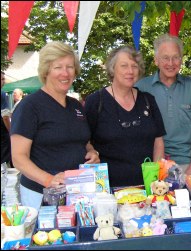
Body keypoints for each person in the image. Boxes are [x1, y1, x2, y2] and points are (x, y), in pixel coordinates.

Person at [10, 41, 100, 210]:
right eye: (58, 67)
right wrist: (48, 180)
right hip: (41, 194)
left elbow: (81, 140)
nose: (65, 73)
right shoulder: (29, 106)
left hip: (77, 192)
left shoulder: (76, 105)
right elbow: (18, 158)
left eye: (70, 67)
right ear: (46, 71)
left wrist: (91, 152)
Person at [84, 45, 166, 188]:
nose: (130, 71)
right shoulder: (96, 101)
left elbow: (158, 142)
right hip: (107, 189)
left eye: (134, 66)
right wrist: (91, 151)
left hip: (146, 186)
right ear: (112, 68)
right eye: (124, 66)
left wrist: (155, 178)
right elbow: (84, 139)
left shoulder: (148, 100)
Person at [136, 34, 191, 175]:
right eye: (165, 58)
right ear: (156, 60)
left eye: (175, 57)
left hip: (185, 165)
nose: (171, 63)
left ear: (181, 60)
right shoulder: (141, 87)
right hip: (150, 164)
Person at [1, 71, 11, 164]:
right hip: (3, 133)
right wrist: (11, 130)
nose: (3, 81)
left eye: (4, 79)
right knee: (4, 162)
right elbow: (5, 116)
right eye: (2, 79)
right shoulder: (2, 94)